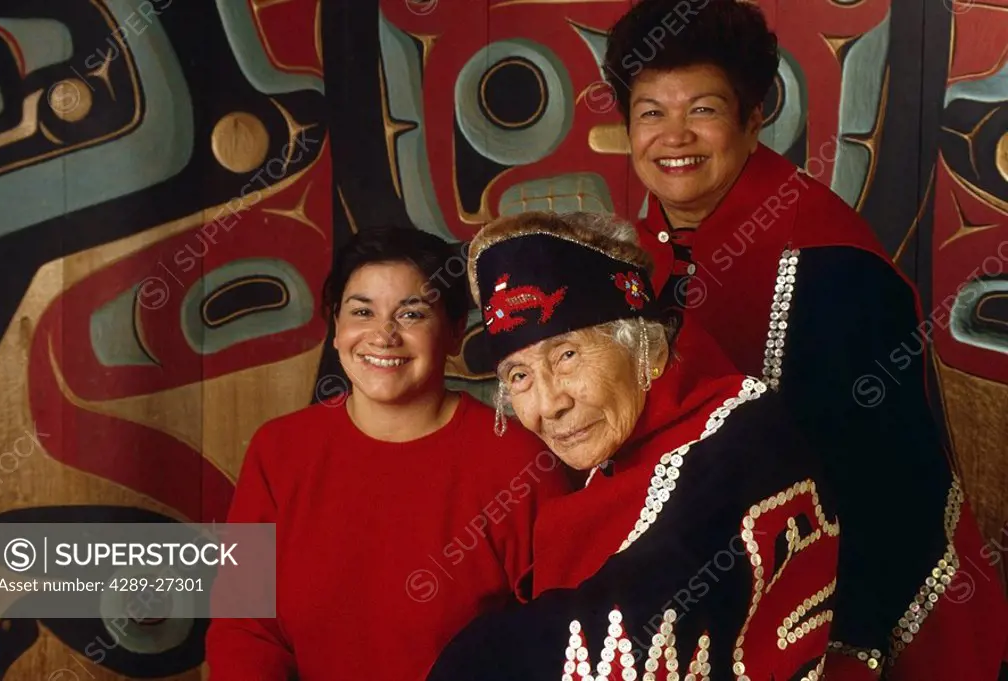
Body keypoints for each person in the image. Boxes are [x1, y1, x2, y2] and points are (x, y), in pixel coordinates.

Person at [602, 1, 1008, 678]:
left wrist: (852, 649)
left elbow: (891, 490)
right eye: (651, 112)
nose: (674, 137)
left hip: (836, 622)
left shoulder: (833, 266)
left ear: (752, 118)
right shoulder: (630, 264)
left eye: (701, 109)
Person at [426, 210, 840, 681]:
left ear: (647, 348)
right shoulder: (609, 455)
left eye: (566, 356)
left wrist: (468, 660)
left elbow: (640, 618)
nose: (549, 404)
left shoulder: (740, 439)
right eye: (519, 377)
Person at [204, 226, 570, 681]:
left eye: (412, 314)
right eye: (362, 312)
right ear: (336, 328)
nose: (383, 336)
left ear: (455, 333)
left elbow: (561, 642)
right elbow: (244, 630)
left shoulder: (520, 465)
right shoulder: (278, 452)